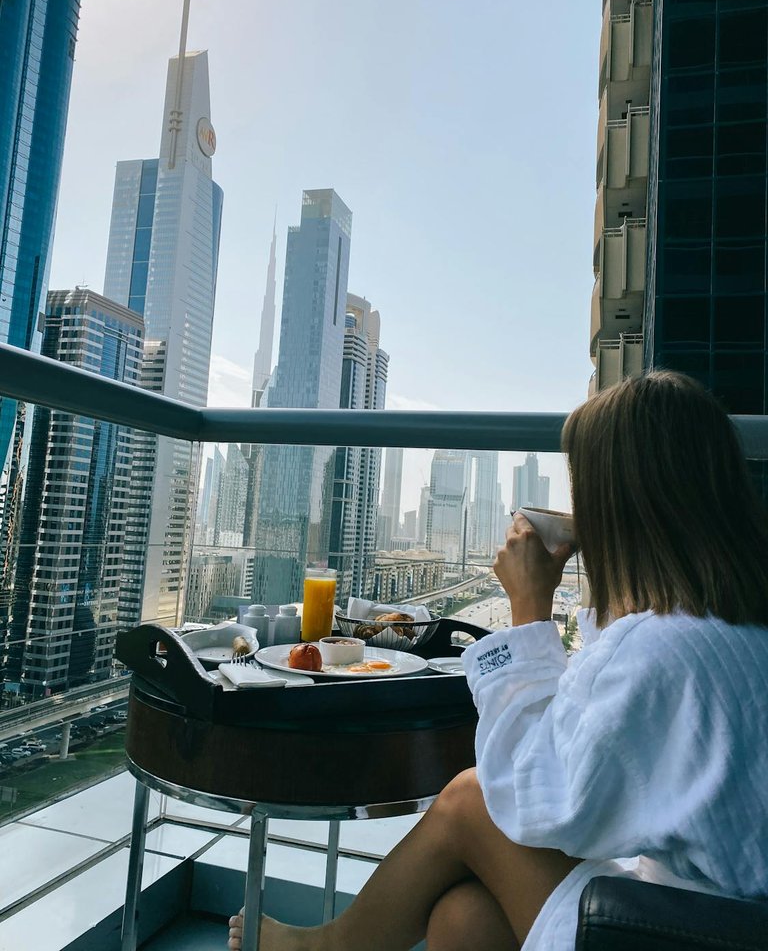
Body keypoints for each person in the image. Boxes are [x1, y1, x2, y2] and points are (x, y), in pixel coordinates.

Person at [228, 370, 768, 951]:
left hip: (693, 930)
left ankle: (329, 947)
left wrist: (529, 610)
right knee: (464, 917)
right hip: (721, 916)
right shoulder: (729, 630)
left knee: (470, 797)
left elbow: (535, 801)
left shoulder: (662, 650)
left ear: (620, 507)